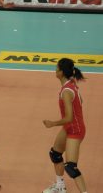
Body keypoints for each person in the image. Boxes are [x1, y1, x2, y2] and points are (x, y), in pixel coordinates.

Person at [42, 58, 87, 193]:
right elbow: (81, 101)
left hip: (75, 130)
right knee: (55, 154)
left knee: (71, 167)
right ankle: (60, 187)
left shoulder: (67, 91)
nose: (55, 70)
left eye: (57, 68)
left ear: (61, 72)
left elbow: (69, 117)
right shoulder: (70, 84)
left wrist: (52, 123)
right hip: (69, 127)